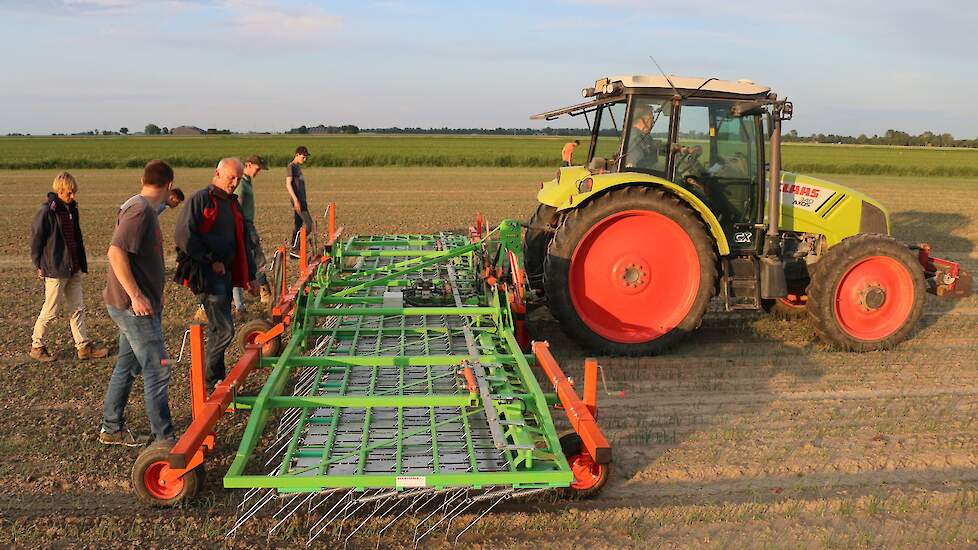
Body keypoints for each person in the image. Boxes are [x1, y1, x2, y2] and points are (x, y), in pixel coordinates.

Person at [99, 160, 176, 446]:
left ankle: (111, 427)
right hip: (134, 309)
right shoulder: (141, 210)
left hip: (132, 305)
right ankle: (164, 440)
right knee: (158, 367)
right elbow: (115, 252)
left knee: (128, 365)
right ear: (169, 184)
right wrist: (137, 295)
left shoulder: (141, 205)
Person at [175, 158, 258, 390]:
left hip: (226, 275)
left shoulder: (232, 204)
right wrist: (211, 260)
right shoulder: (201, 200)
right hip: (207, 275)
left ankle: (214, 379)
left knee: (216, 328)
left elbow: (242, 242)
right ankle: (209, 380)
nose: (234, 182)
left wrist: (250, 276)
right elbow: (184, 237)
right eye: (230, 177)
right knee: (225, 329)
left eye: (238, 178)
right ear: (217, 173)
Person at [29, 171, 109, 362]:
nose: (73, 196)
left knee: (78, 308)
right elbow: (36, 241)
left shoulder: (71, 209)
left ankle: (83, 347)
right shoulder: (47, 212)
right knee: (51, 310)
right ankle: (37, 346)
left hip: (73, 267)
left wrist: (80, 263)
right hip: (56, 269)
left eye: (74, 192)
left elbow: (76, 238)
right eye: (69, 193)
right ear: (59, 190)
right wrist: (39, 264)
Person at [232, 155, 271, 315]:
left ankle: (242, 304)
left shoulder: (247, 182)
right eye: (257, 168)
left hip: (247, 224)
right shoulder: (241, 183)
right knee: (254, 259)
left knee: (247, 261)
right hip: (244, 225)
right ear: (248, 165)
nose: (258, 171)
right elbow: (237, 206)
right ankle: (264, 291)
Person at [286, 146, 314, 258]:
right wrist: (296, 200)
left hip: (302, 200)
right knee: (309, 224)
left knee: (298, 224)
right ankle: (296, 247)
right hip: (298, 201)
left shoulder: (297, 167)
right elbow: (288, 184)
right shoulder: (291, 166)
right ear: (297, 154)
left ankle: (293, 253)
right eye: (303, 157)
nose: (305, 159)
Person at [624, 104, 662, 170]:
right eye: (651, 118)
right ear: (642, 120)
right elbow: (634, 165)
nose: (653, 122)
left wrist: (681, 150)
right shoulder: (634, 137)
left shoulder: (645, 136)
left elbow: (653, 145)